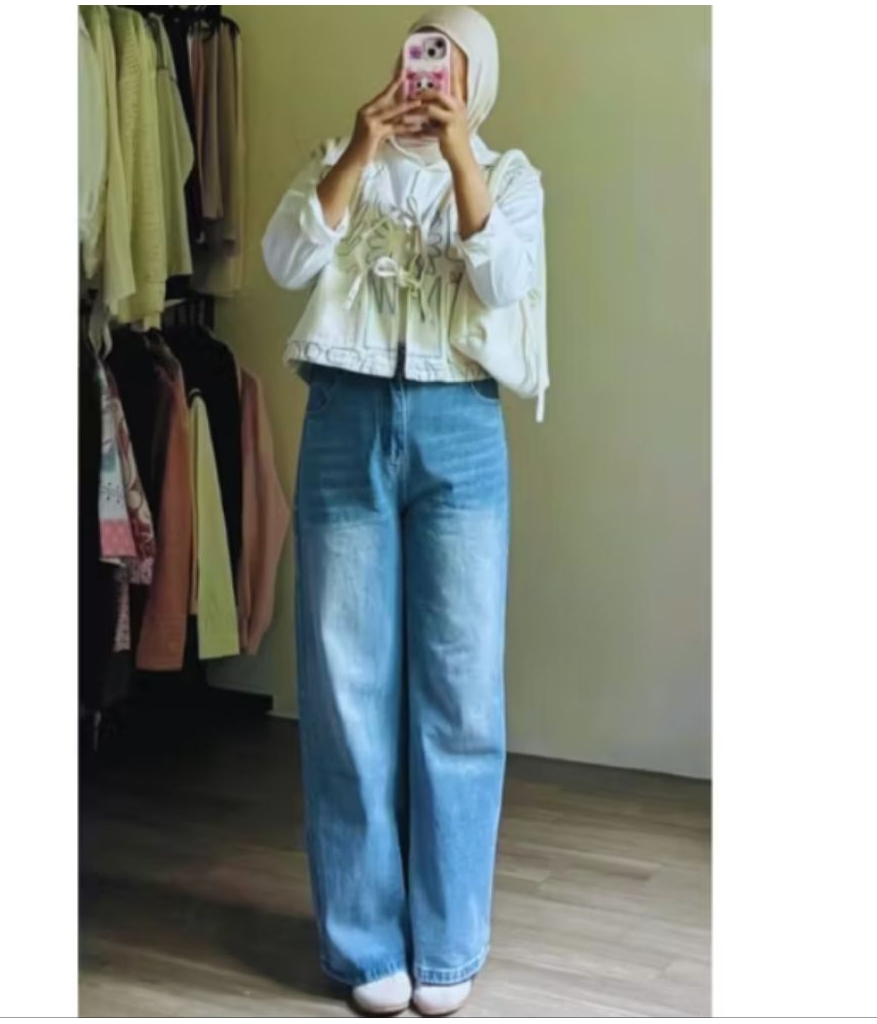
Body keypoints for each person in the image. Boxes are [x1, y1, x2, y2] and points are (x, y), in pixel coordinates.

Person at [262, 6, 545, 1016]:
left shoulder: (510, 177)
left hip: (459, 427)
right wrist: (358, 150)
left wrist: (461, 155)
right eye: (418, 56)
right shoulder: (339, 159)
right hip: (344, 419)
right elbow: (284, 261)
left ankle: (450, 939)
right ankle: (361, 940)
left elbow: (505, 281)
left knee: (460, 691)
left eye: (447, 65)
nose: (426, 79)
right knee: (346, 687)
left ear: (477, 81)